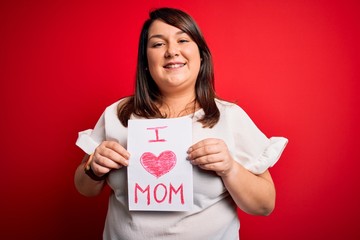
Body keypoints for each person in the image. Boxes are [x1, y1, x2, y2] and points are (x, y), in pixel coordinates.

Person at [74, 7, 288, 240]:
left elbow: (265, 205)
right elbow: (85, 188)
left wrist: (230, 168)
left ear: (201, 55)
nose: (172, 51)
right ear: (146, 61)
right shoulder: (118, 113)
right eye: (158, 44)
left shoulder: (229, 116)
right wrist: (93, 168)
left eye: (183, 40)